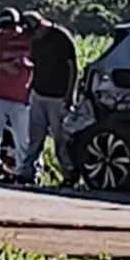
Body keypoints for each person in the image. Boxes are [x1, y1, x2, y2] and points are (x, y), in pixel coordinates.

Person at [18, 10, 78, 187]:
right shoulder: (36, 42)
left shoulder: (61, 38)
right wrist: (29, 90)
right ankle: (27, 173)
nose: (31, 38)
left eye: (32, 33)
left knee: (61, 139)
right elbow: (36, 67)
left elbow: (73, 68)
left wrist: (70, 95)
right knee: (35, 137)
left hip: (58, 97)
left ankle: (69, 174)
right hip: (39, 94)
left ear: (40, 26)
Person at [0, 7, 33, 184]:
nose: (8, 31)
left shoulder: (29, 39)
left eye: (11, 27)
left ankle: (25, 173)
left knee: (23, 139)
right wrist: (3, 67)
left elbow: (39, 64)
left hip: (21, 97)